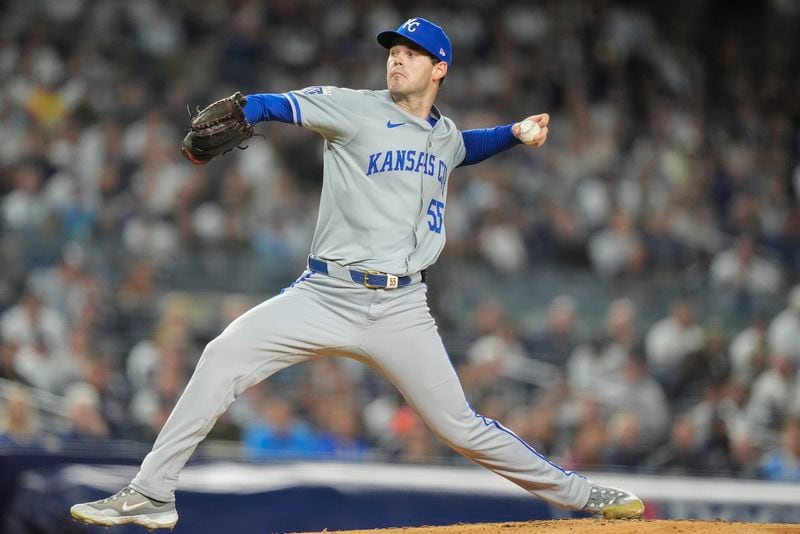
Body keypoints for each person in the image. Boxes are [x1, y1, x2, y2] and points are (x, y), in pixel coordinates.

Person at [70, 17, 644, 530]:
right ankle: (151, 493)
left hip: (401, 308)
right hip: (324, 293)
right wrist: (245, 110)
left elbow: (464, 147)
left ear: (439, 68)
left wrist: (515, 134)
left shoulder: (441, 135)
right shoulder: (353, 107)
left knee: (460, 426)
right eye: (393, 50)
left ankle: (582, 495)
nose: (397, 58)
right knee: (221, 357)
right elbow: (276, 104)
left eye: (412, 53)